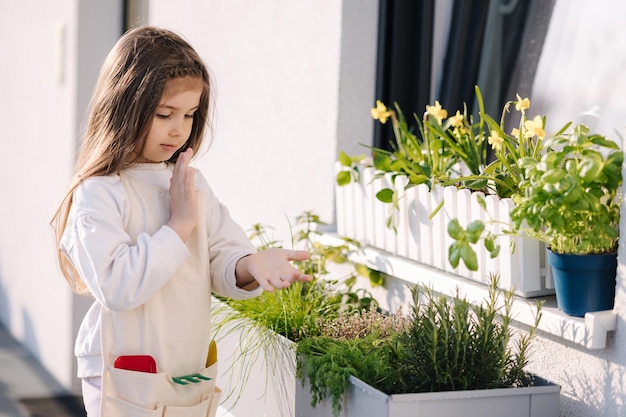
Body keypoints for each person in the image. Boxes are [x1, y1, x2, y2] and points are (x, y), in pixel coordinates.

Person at [50, 25, 312, 417]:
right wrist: (180, 226)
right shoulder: (101, 191)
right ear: (125, 108)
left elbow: (222, 254)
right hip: (125, 369)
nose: (179, 128)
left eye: (189, 114)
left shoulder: (190, 180)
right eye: (164, 114)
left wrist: (250, 266)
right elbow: (117, 286)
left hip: (185, 368)